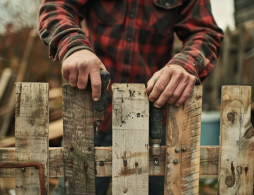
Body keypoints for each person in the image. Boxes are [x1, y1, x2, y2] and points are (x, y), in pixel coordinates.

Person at [38, 0, 223, 194]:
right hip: (90, 118)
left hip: (154, 124)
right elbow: (56, 5)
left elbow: (204, 31)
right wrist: (74, 46)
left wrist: (186, 64)